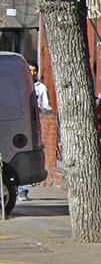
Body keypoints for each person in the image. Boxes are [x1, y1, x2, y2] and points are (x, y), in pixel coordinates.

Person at [17, 62, 52, 201]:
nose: (32, 73)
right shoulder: (19, 85)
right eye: (30, 70)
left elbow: (48, 108)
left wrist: (38, 109)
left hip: (32, 127)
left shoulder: (41, 88)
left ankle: (23, 190)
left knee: (25, 155)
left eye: (34, 71)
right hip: (17, 122)